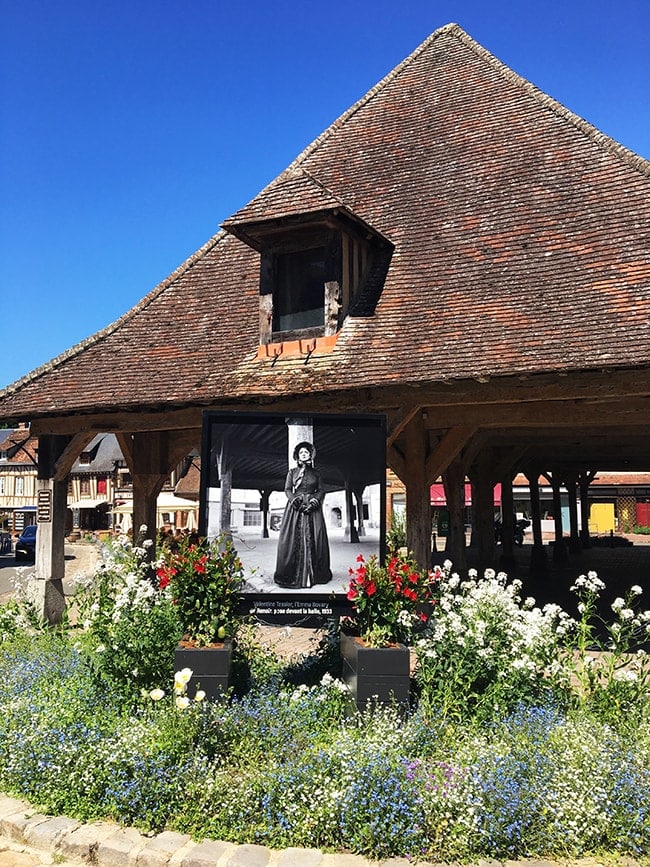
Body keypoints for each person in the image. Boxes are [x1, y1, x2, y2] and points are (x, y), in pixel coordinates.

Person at [273, 441, 332, 588]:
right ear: (297, 456)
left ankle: (314, 575)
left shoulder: (317, 473)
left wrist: (315, 501)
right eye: (301, 453)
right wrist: (294, 500)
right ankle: (292, 575)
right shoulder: (292, 472)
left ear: (310, 455)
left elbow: (321, 490)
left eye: (306, 452)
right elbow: (287, 489)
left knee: (316, 536)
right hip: (296, 507)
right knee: (291, 538)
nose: (304, 454)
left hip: (313, 508)